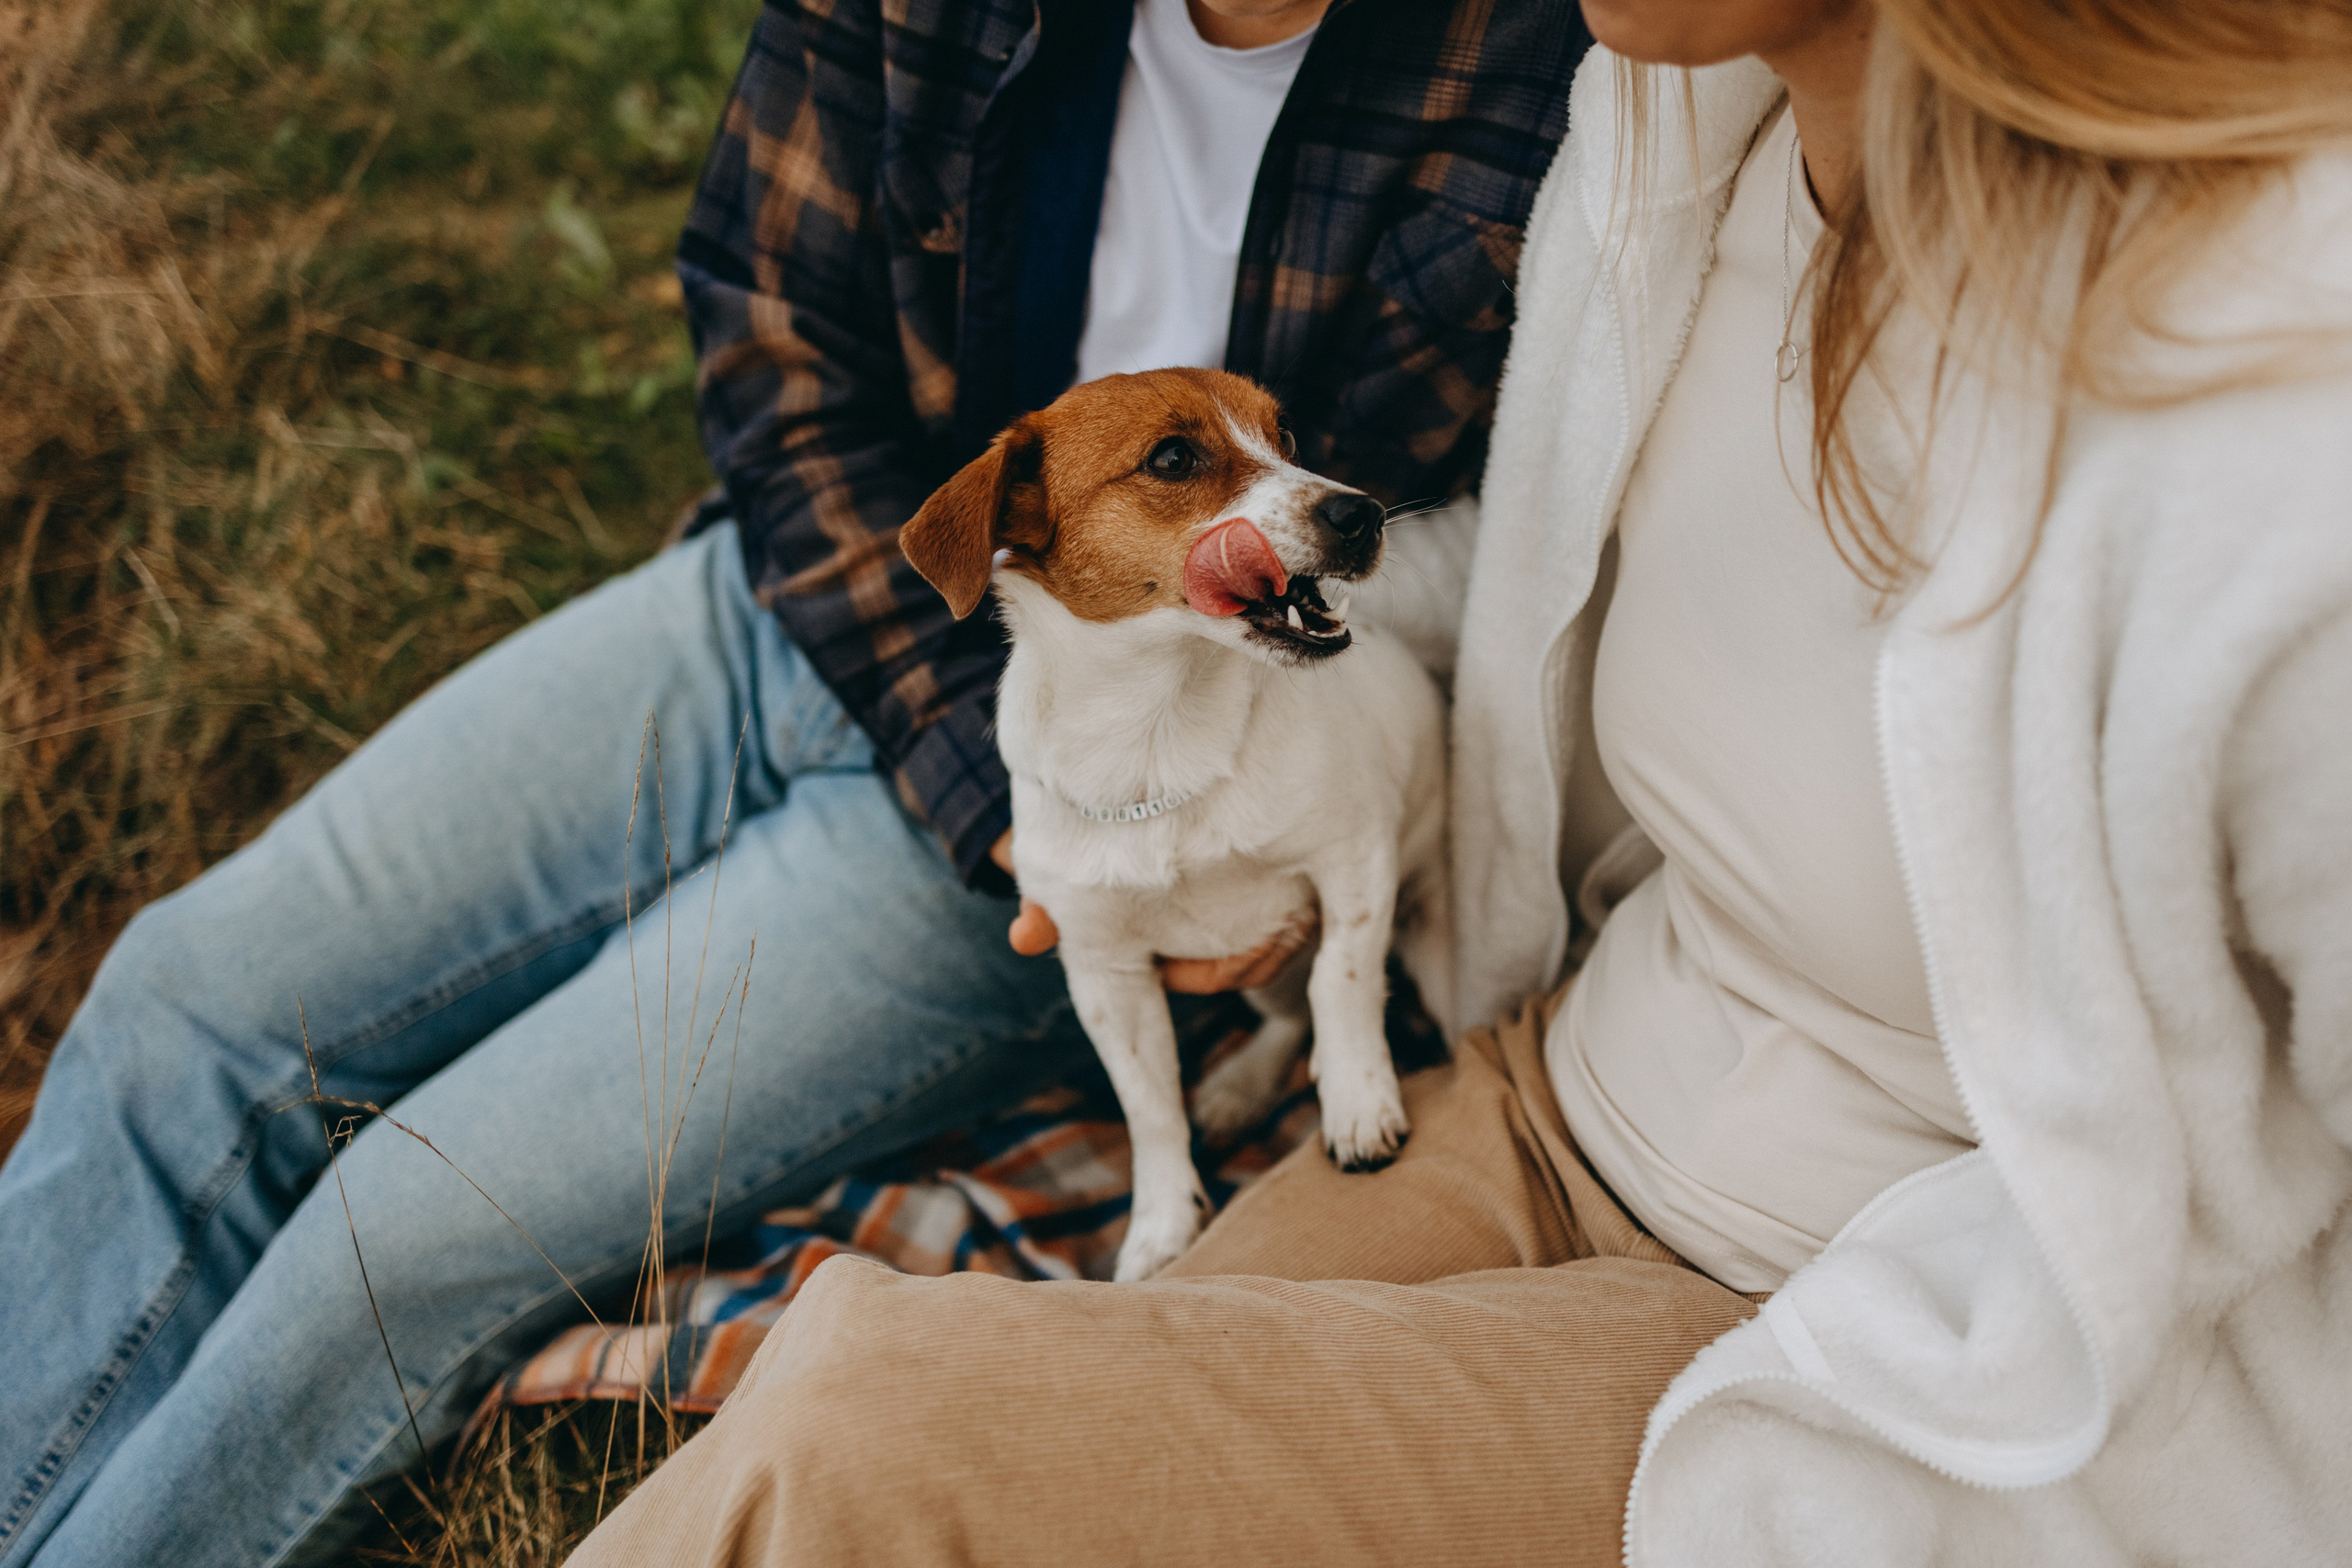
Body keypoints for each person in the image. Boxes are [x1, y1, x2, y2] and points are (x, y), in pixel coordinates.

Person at [558, 0, 2352, 1564]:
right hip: (1539, 1092)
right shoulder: (1672, 136)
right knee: (1010, 1427)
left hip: (1902, 1337)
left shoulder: (2277, 411)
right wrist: (1152, 670)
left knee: (875, 1421)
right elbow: (1516, 585)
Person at [0, 3, 1591, 1563]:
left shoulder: (1549, 46)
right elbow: (773, 332)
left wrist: (1187, 832)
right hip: (795, 614)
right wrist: (985, 761)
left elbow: (1506, 515)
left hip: (1127, 795)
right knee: (180, 1005)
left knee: (397, 1240)